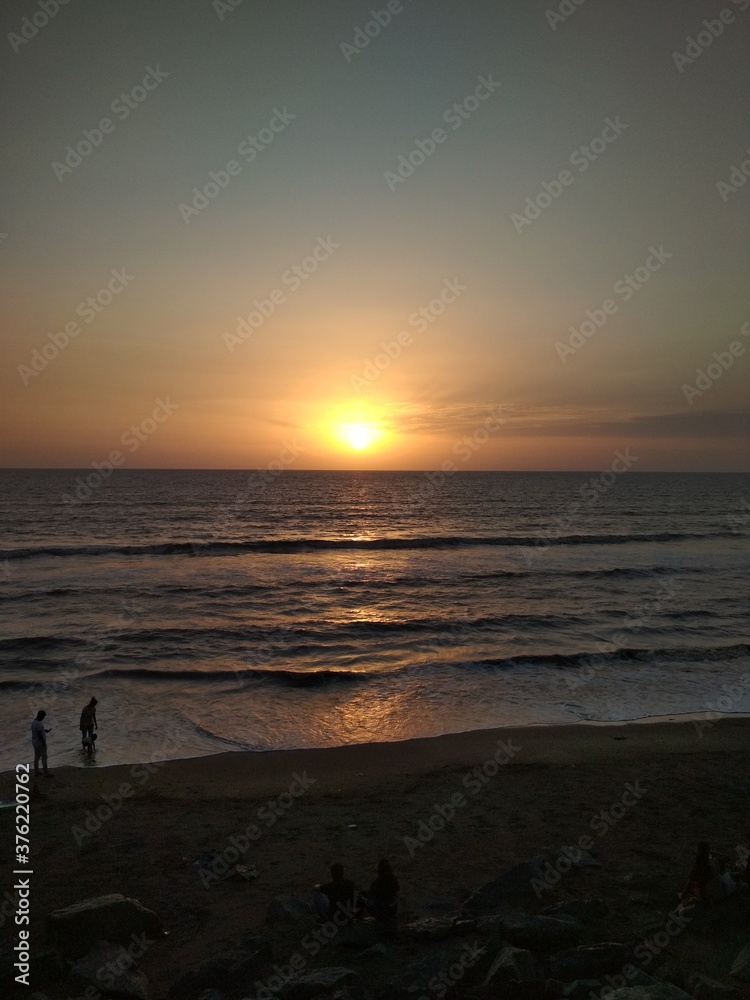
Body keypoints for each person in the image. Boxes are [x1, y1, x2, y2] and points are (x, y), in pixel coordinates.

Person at [31, 710, 52, 778]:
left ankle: (36, 772)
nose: (43, 718)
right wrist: (44, 743)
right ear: (40, 716)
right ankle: (46, 772)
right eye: (43, 717)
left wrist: (46, 731)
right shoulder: (38, 724)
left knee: (36, 757)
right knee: (44, 757)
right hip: (40, 743)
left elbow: (40, 730)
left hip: (35, 742)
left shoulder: (33, 723)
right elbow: (40, 734)